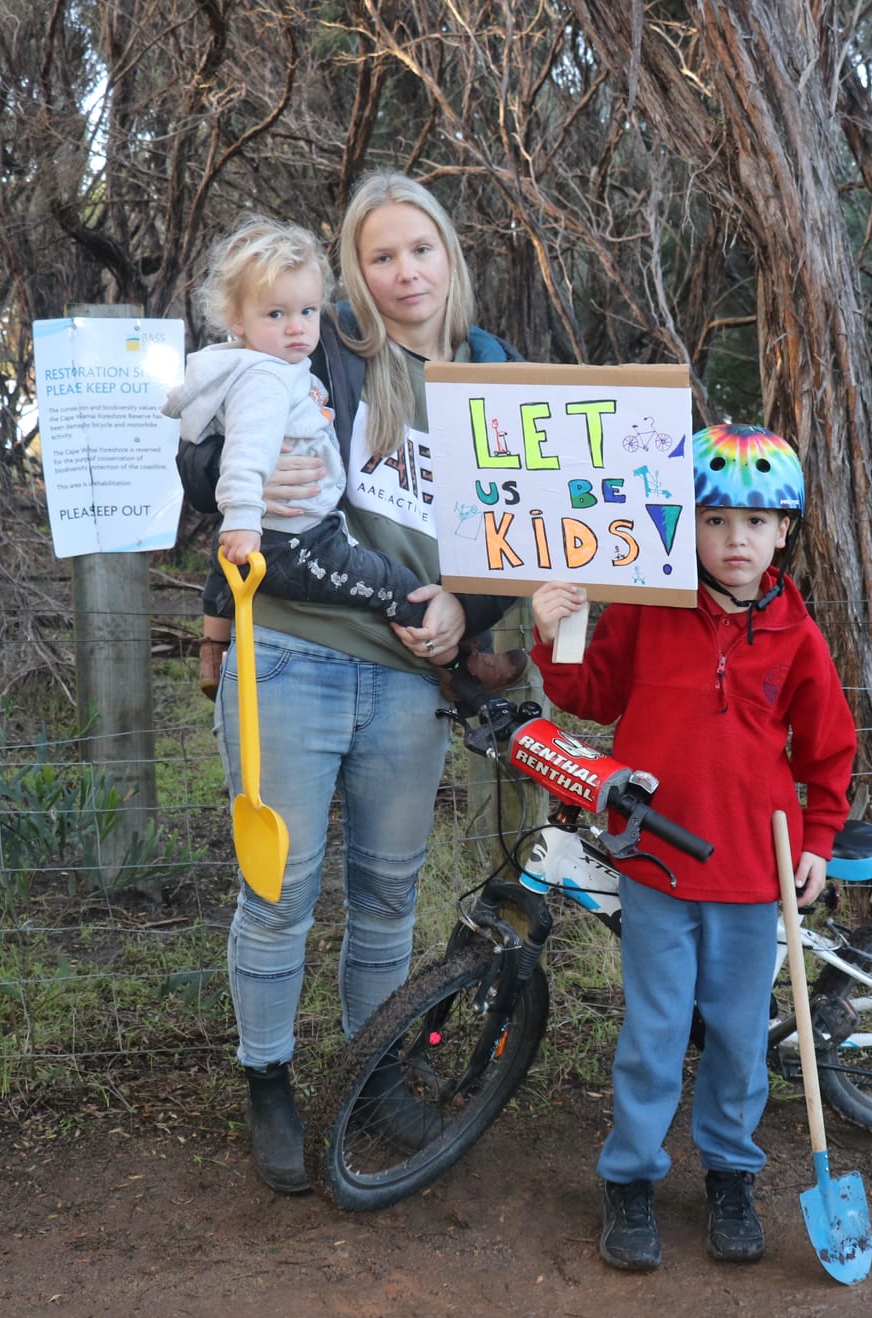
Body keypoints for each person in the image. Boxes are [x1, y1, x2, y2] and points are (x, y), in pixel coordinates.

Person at [195, 173, 527, 1194]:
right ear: (355, 269)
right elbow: (209, 442)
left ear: (448, 254)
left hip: (404, 680)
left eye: (417, 249)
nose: (403, 272)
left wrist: (462, 617)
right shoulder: (322, 348)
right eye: (379, 256)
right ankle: (270, 1081)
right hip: (293, 652)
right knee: (278, 892)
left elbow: (524, 524)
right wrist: (218, 483)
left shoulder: (494, 371)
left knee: (386, 898)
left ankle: (371, 1068)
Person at [528, 423, 857, 1271]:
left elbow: (828, 749)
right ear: (687, 525)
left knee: (740, 1034)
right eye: (714, 520)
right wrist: (556, 628)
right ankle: (630, 1179)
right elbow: (591, 694)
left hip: (755, 869)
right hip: (657, 861)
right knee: (655, 1026)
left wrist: (818, 835)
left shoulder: (798, 636)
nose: (734, 539)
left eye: (754, 521)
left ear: (784, 529)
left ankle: (731, 1174)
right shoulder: (648, 605)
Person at [166, 217, 429, 660]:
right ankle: (461, 668)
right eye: (276, 314)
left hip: (286, 527)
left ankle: (213, 650)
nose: (297, 328)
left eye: (307, 312)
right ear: (237, 319)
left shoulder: (266, 365)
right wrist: (244, 515)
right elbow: (246, 452)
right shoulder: (265, 379)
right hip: (297, 539)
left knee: (222, 559)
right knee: (395, 585)